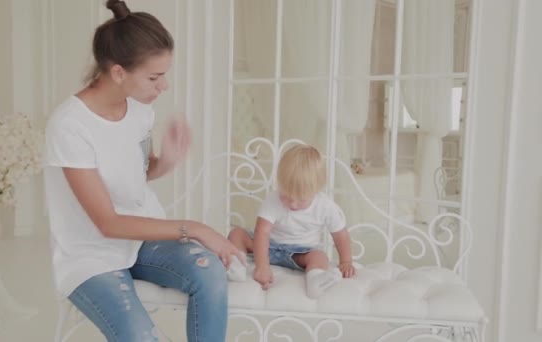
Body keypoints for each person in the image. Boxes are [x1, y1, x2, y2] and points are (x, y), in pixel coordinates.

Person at [43, 1, 243, 341]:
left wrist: (166, 161)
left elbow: (135, 173)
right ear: (119, 72)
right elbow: (108, 223)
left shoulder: (139, 111)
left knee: (209, 275)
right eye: (155, 76)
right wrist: (196, 229)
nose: (163, 86)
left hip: (140, 242)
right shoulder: (69, 126)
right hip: (91, 256)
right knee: (141, 337)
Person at [227, 144, 355, 299]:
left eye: (301, 200)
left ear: (317, 189)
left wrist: (346, 261)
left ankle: (315, 280)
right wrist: (262, 266)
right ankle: (237, 265)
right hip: (268, 246)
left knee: (320, 256)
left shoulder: (325, 206)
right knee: (237, 233)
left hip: (300, 254)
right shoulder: (273, 199)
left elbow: (341, 236)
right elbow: (262, 233)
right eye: (286, 196)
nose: (293, 204)